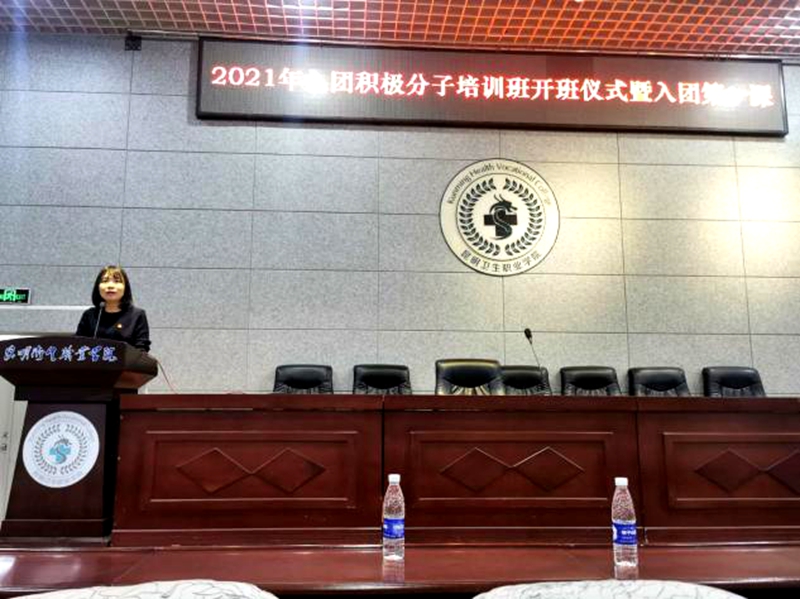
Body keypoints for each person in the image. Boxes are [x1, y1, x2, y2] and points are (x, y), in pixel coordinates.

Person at [76, 266, 151, 352]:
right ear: (98, 287)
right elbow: (78, 346)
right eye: (105, 281)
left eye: (117, 281)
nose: (110, 286)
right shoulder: (89, 315)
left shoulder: (137, 315)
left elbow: (141, 350)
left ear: (125, 287)